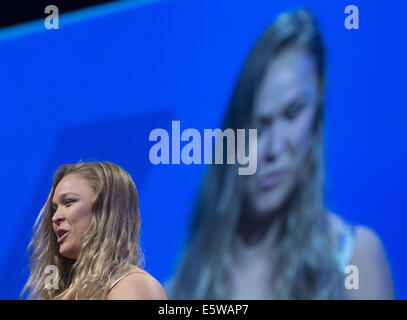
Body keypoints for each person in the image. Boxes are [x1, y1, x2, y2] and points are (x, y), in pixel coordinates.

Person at [167, 9, 394, 299]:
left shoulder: (355, 260)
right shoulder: (180, 290)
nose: (274, 149)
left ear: (317, 109)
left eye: (293, 113)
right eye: (259, 126)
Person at [22, 161, 167, 300]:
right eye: (54, 209)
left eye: (68, 202)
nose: (55, 217)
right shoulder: (61, 286)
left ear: (106, 209)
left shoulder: (132, 285)